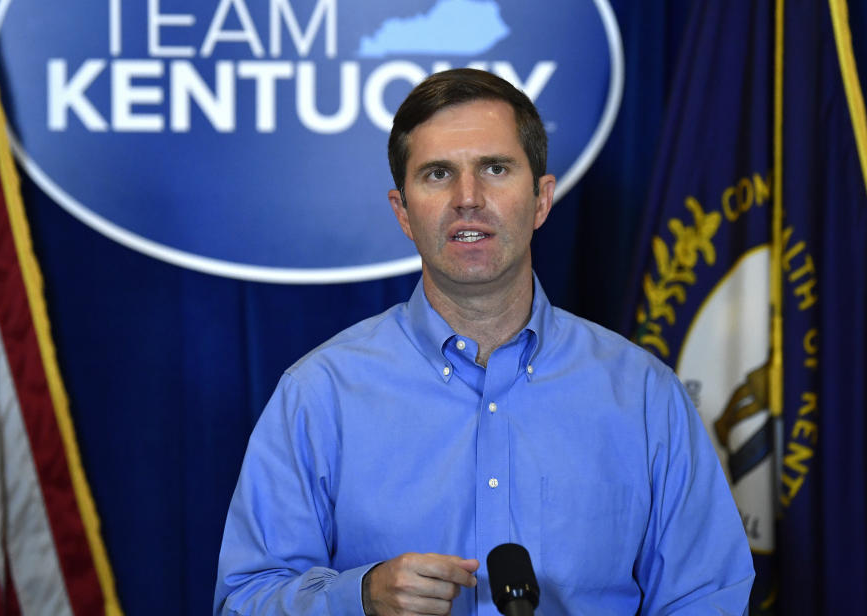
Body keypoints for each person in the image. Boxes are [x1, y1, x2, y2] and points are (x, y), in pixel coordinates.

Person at [214, 69, 754, 615]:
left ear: (541, 200)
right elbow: (242, 602)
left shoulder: (643, 397)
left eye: (495, 169)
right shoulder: (318, 395)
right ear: (403, 212)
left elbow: (707, 598)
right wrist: (360, 598)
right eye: (437, 173)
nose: (467, 198)